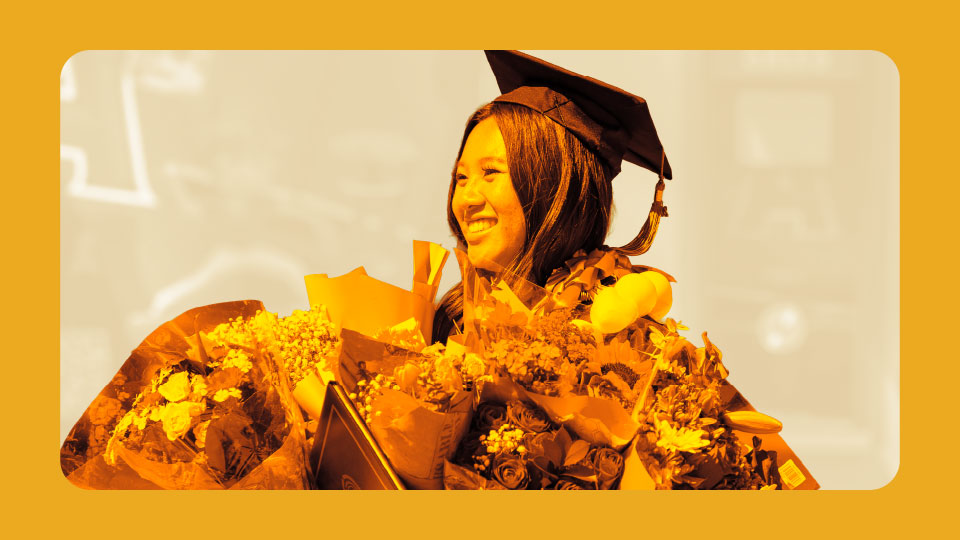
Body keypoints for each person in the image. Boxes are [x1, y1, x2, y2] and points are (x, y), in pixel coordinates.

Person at [433, 50, 674, 341]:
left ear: (557, 187)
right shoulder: (450, 319)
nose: (466, 200)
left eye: (491, 172)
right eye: (461, 177)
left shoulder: (617, 331)